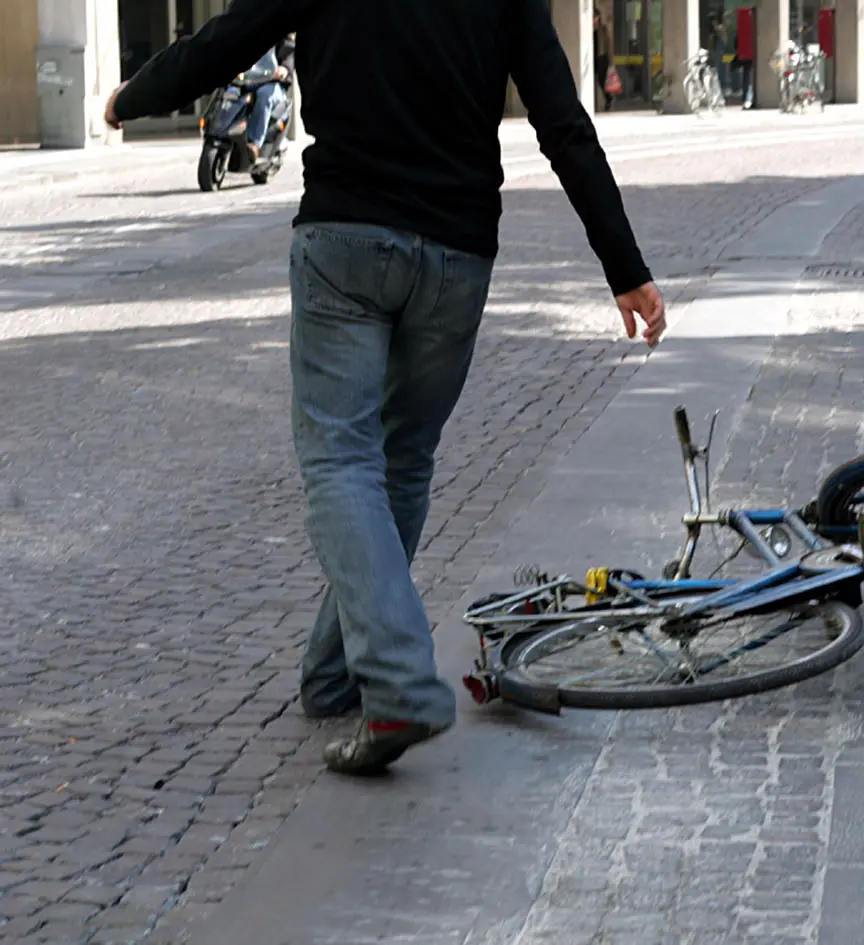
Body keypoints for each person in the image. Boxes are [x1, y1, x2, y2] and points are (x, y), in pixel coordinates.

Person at [102, 0, 666, 776]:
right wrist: (624, 267)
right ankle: (338, 674)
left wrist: (130, 97)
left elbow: (221, 43)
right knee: (399, 462)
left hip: (346, 242)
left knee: (340, 461)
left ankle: (398, 682)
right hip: (456, 258)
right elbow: (562, 122)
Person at [245, 34, 295, 163]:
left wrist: (284, 68)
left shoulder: (282, 34)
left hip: (273, 82)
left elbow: (289, 52)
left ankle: (254, 144)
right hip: (249, 80)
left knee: (264, 94)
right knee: (230, 91)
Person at [593, 9, 615, 112]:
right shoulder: (589, 29)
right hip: (592, 58)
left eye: (595, 17)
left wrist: (610, 61)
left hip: (602, 57)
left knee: (601, 80)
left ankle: (608, 98)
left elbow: (608, 45)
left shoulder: (603, 29)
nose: (594, 19)